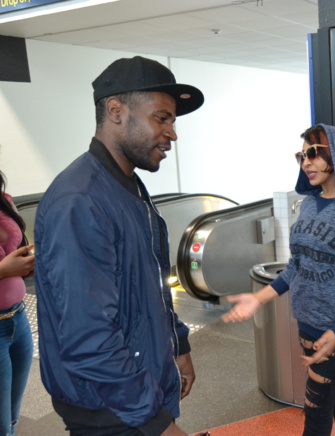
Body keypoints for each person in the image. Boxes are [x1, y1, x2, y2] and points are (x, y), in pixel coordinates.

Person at [34, 56, 204, 436]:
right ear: (115, 110)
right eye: (161, 117)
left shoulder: (129, 187)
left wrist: (178, 344)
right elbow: (87, 336)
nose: (172, 133)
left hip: (138, 389)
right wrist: (156, 423)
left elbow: (149, 283)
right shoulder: (81, 201)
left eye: (172, 120)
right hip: (111, 409)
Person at [223, 124, 335, 436]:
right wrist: (259, 298)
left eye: (314, 153)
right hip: (310, 324)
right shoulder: (310, 203)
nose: (306, 162)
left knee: (316, 410)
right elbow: (298, 264)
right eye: (302, 155)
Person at [0, 170, 34, 436]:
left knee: (12, 415)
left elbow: (16, 247)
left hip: (18, 318)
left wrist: (26, 264)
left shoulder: (4, 200)